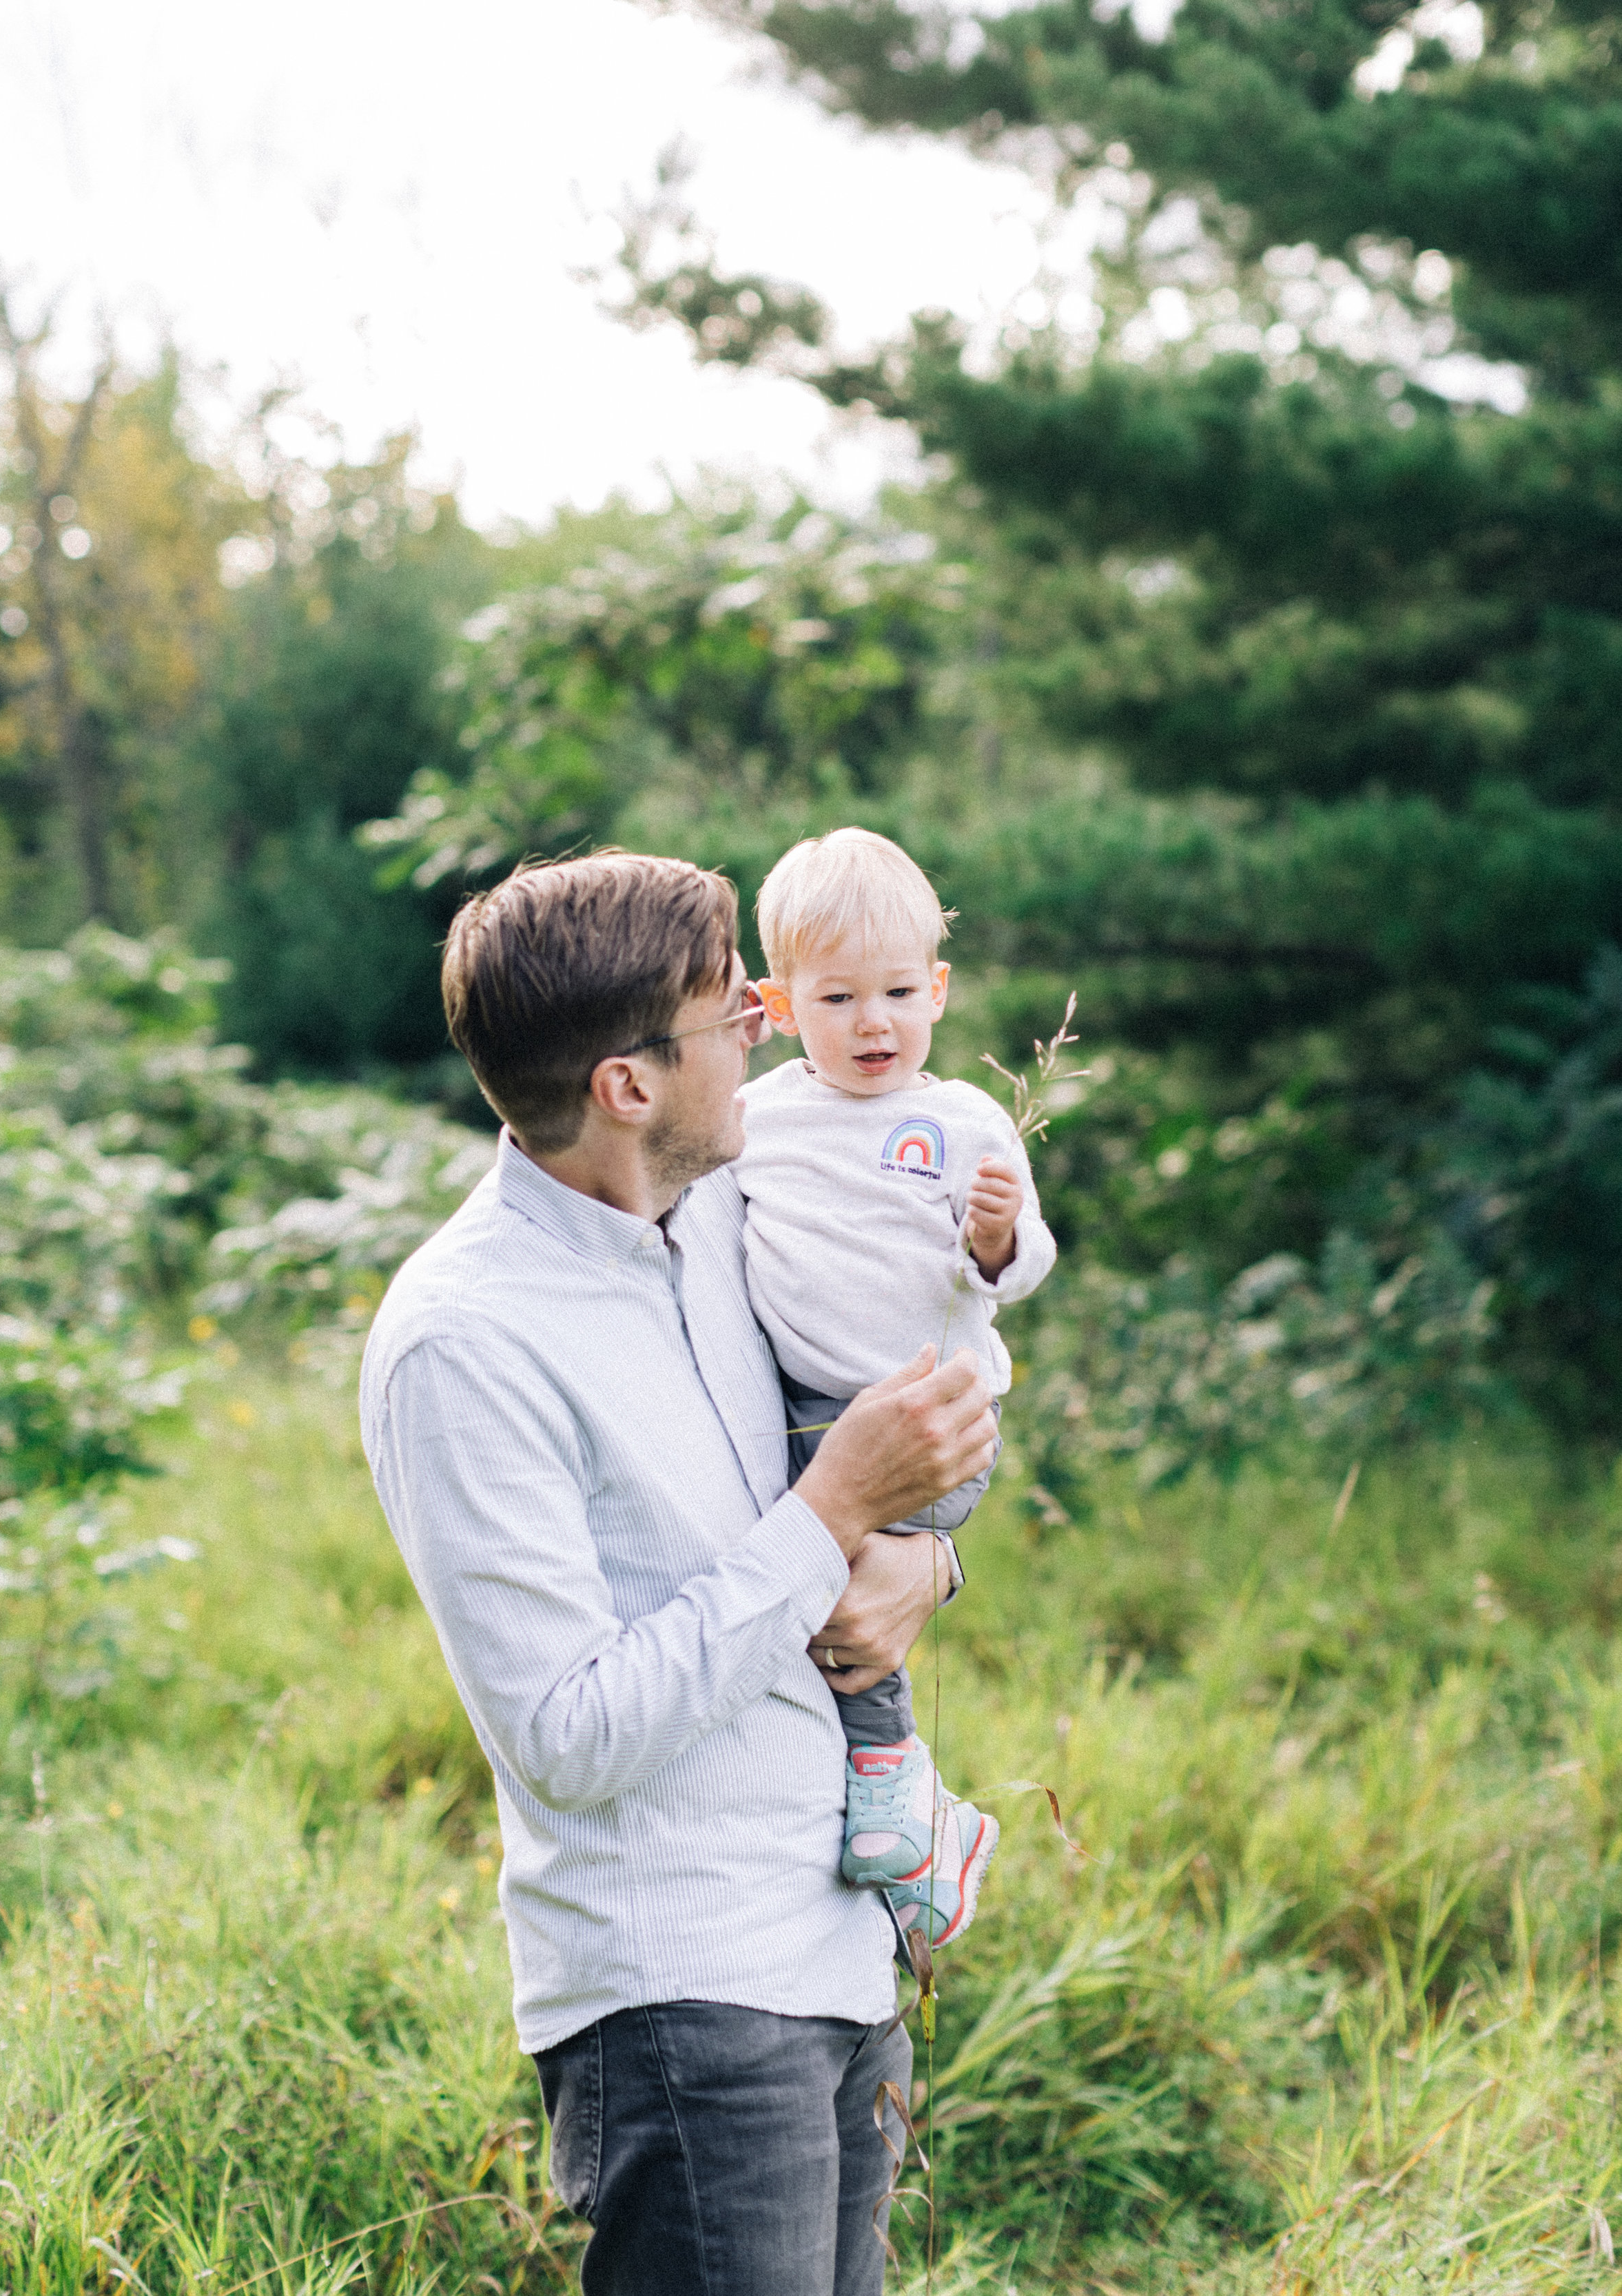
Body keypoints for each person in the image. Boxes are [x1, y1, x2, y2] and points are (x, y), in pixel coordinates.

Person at [359, 851, 997, 2296]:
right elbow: (567, 1738)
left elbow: (886, 1443)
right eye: (731, 1017)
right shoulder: (462, 1340)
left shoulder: (722, 1215)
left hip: (835, 1940)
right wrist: (832, 1510)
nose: (768, 1031)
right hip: (685, 1997)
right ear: (625, 1085)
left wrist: (923, 1556)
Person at [739, 828, 1056, 1952]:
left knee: (835, 1589)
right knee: (783, 1590)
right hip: (802, 1417)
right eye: (838, 998)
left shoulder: (962, 1119)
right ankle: (903, 1807)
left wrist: (998, 1232)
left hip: (934, 1421)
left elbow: (1023, 1267)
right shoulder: (759, 1117)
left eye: (900, 991)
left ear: (941, 989)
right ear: (776, 1006)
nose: (875, 1022)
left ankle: (891, 1780)